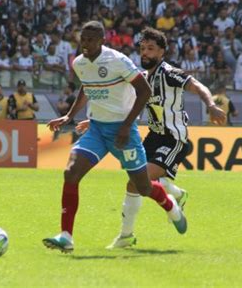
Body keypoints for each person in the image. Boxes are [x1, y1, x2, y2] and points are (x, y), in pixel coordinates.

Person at [42, 21, 187, 253]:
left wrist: (126, 125)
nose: (86, 44)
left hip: (123, 131)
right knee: (71, 172)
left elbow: (145, 91)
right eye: (83, 40)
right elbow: (86, 86)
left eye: (91, 40)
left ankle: (169, 204)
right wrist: (69, 115)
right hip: (97, 130)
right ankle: (66, 236)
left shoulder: (118, 60)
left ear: (102, 41)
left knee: (142, 187)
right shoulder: (79, 63)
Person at [76, 27, 226, 249]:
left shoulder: (169, 73)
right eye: (143, 48)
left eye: (151, 49)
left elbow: (197, 85)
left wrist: (211, 105)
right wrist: (97, 121)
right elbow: (126, 105)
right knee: (139, 180)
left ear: (162, 52)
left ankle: (126, 236)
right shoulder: (142, 77)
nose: (145, 53)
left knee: (136, 182)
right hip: (153, 137)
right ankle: (175, 193)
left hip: (174, 138)